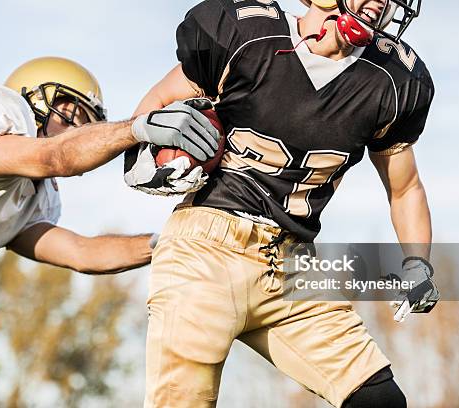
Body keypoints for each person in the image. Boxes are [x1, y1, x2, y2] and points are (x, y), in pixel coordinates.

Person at [126, 0, 440, 406]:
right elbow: (156, 104)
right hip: (205, 248)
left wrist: (418, 262)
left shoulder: (391, 80)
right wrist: (141, 154)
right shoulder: (246, 35)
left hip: (291, 264)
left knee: (379, 401)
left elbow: (405, 188)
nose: (380, 3)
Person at [0, 56, 220, 273]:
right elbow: (53, 156)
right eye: (72, 118)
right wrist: (136, 128)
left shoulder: (33, 200)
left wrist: (169, 241)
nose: (79, 135)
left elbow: (82, 253)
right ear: (36, 102)